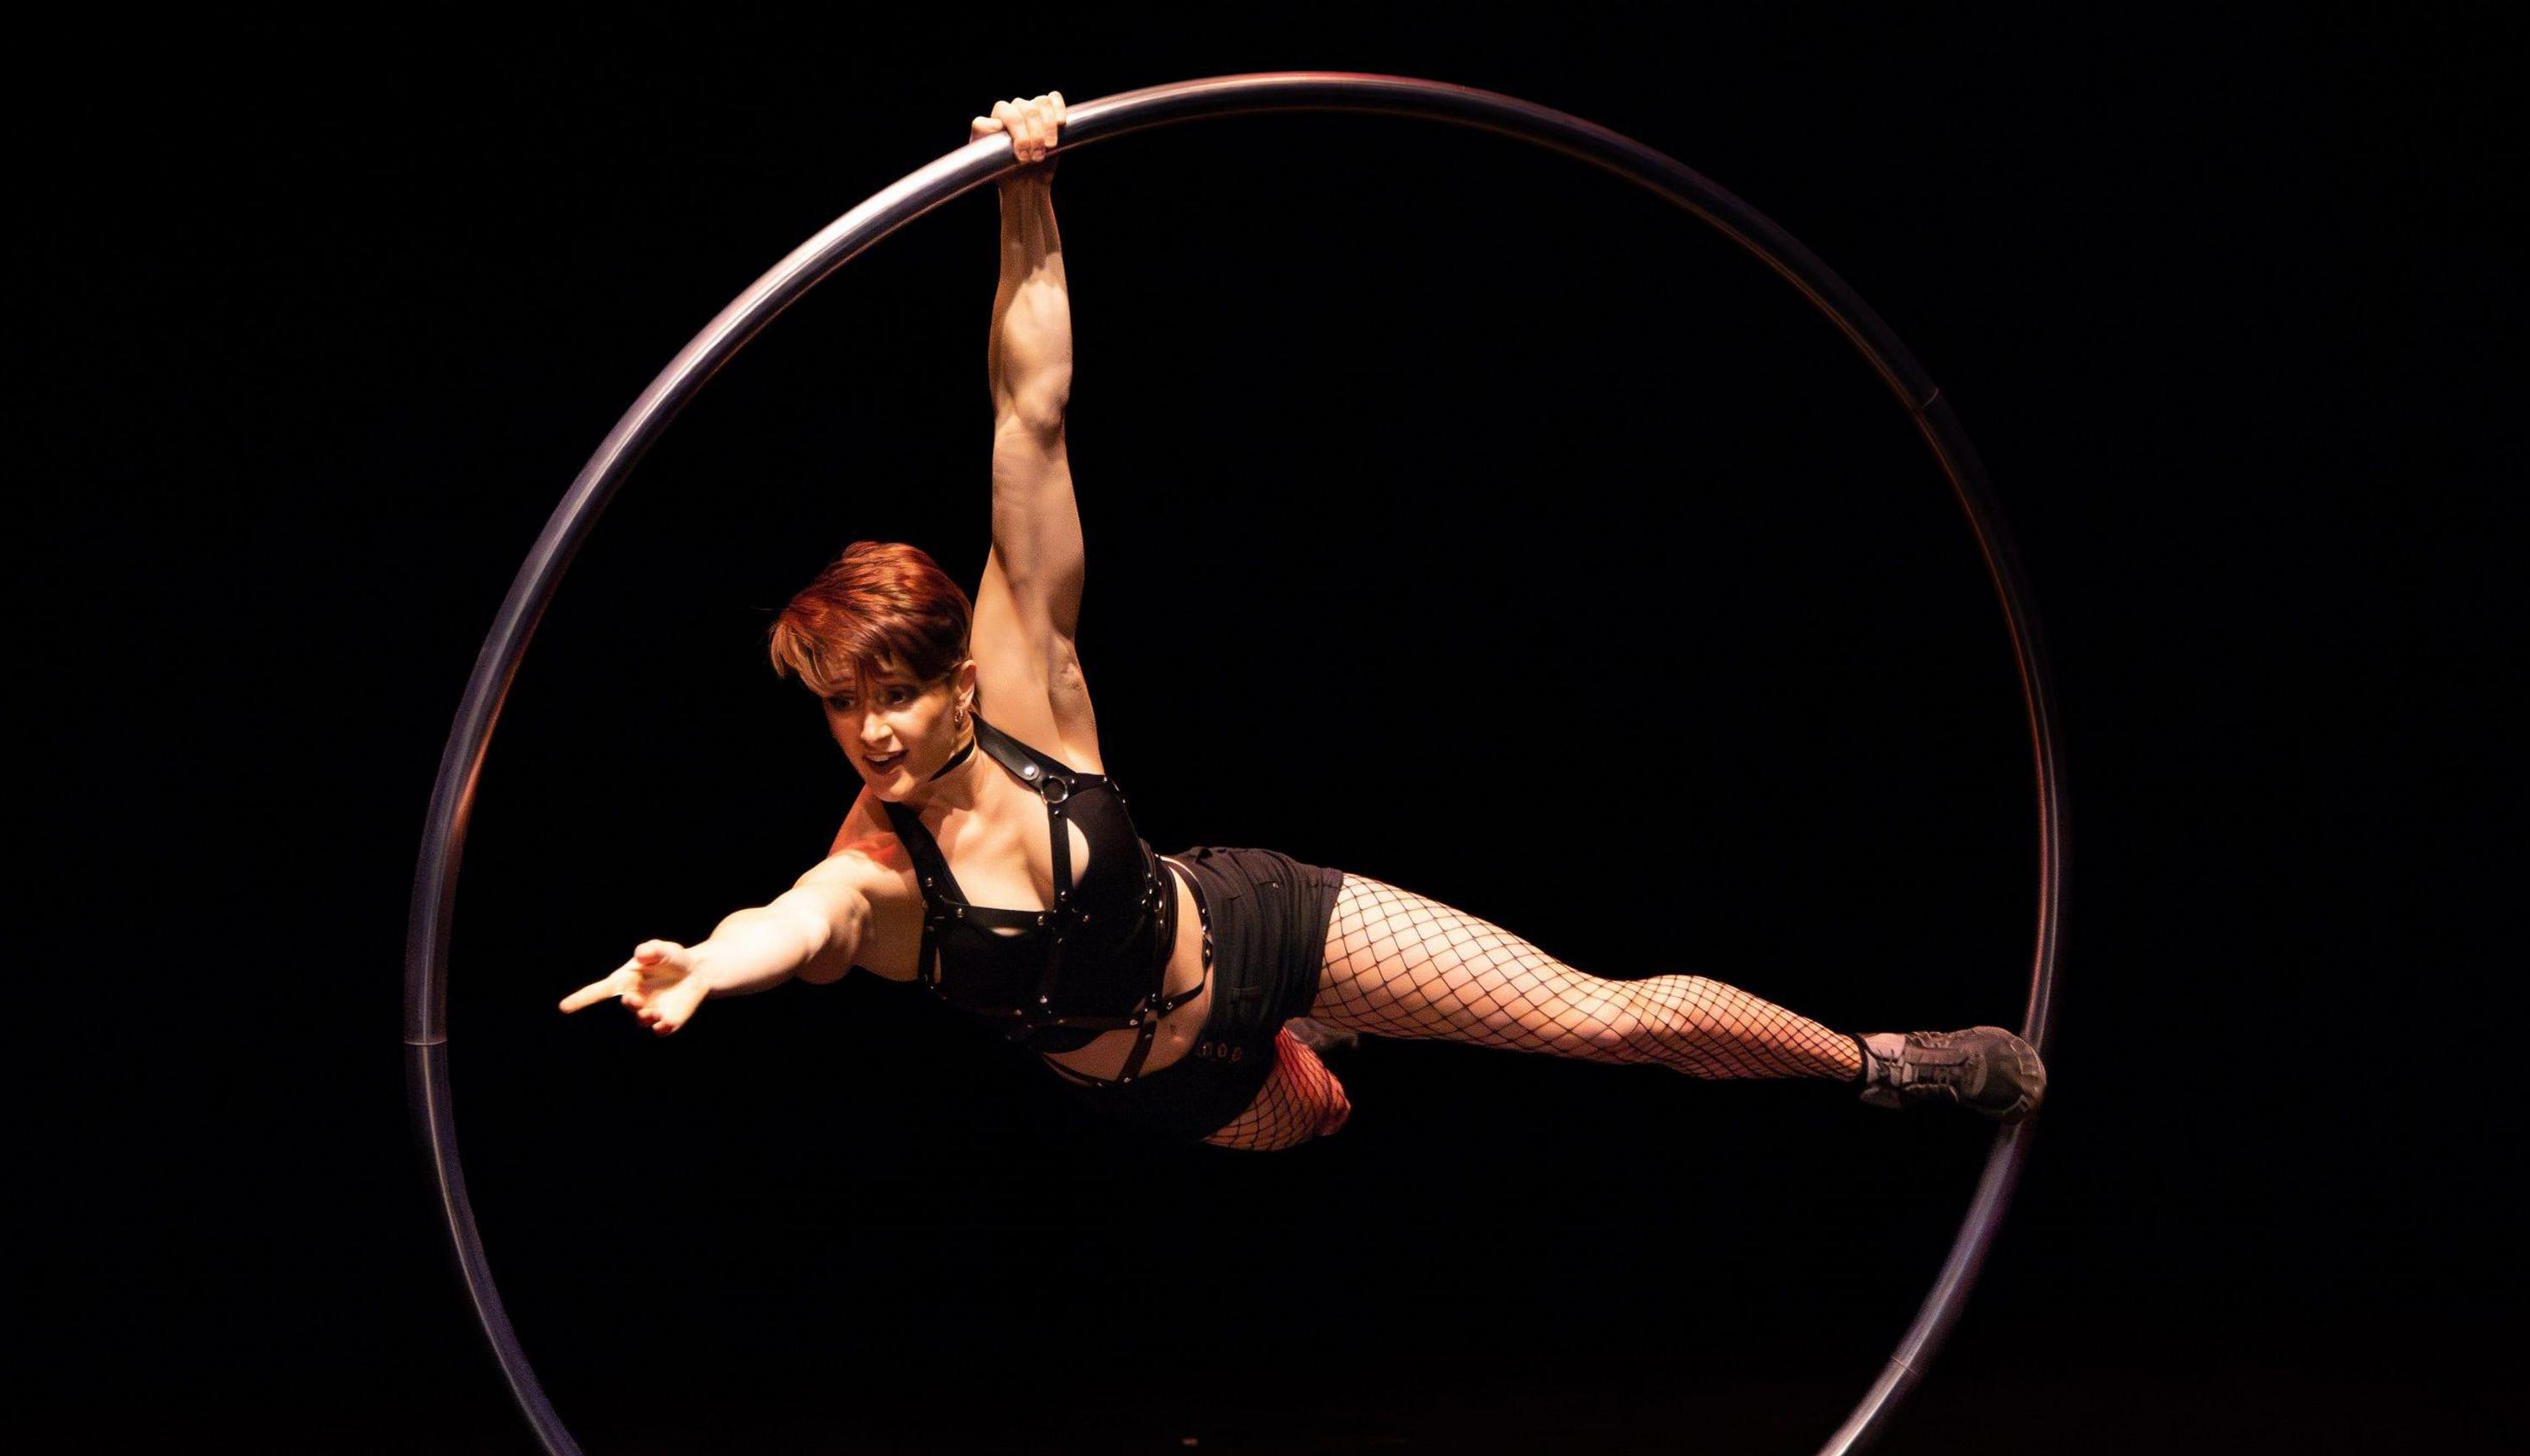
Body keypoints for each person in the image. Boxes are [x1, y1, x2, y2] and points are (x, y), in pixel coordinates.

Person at [561, 91, 2043, 1151]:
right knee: (1318, 1116)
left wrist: (1027, 186)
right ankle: (1311, 1054)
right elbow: (793, 922)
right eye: (839, 705)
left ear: (957, 673)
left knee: (1606, 1021)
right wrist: (705, 958)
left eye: (894, 691)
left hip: (1259, 930)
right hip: (1178, 1090)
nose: (871, 731)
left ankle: (1882, 1065)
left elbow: (1032, 411)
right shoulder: (877, 876)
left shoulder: (1027, 693)